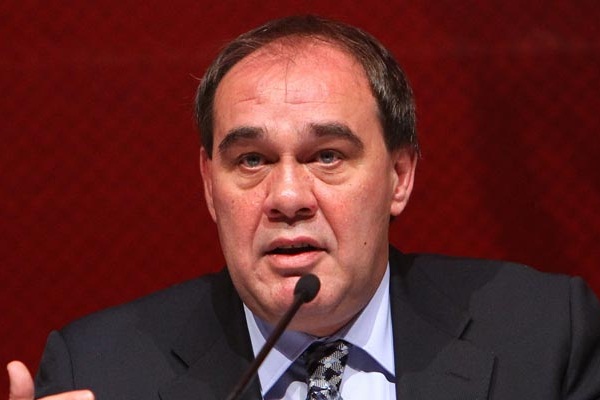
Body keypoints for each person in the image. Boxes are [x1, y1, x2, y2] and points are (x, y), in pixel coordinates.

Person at [7, 15, 600, 400]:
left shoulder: (545, 334)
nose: (288, 198)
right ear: (210, 186)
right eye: (252, 160)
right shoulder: (101, 372)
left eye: (327, 156)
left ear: (399, 177)